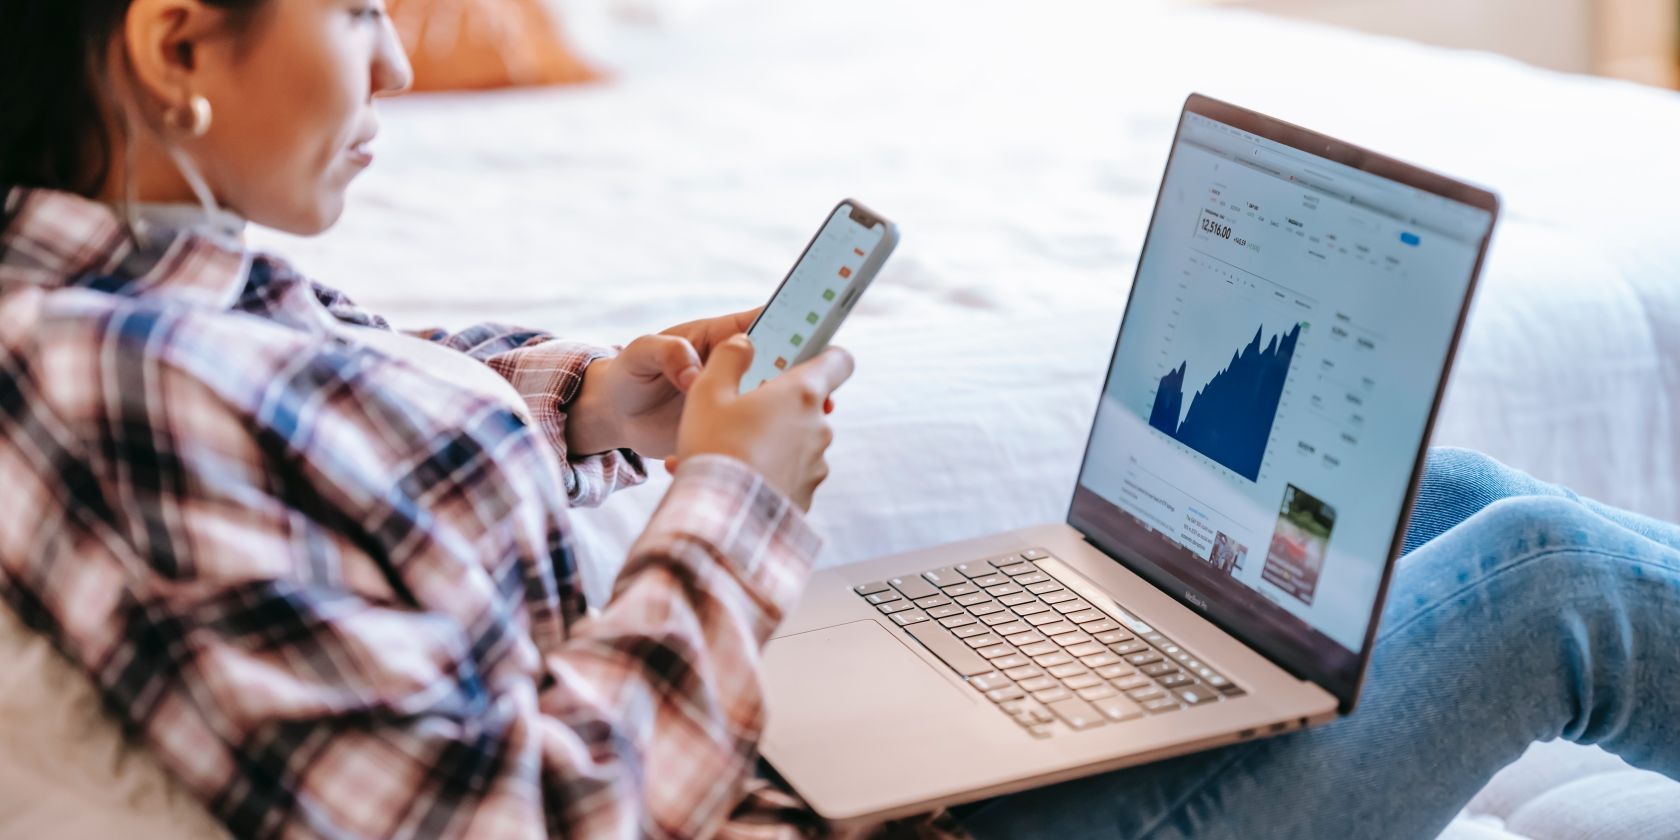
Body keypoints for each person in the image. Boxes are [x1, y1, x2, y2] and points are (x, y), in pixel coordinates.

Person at [0, 2, 1674, 838]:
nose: (400, 65)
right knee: (1539, 581)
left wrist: (595, 395)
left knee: (1426, 494)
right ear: (173, 46)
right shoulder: (114, 385)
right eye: (357, 11)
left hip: (785, 754)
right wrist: (729, 504)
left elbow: (345, 403)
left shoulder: (143, 300)